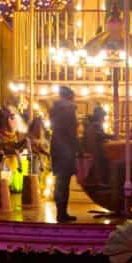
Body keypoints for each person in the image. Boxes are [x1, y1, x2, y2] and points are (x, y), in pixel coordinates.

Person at [49, 85, 81, 223]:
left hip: (56, 146)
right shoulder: (69, 110)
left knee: (60, 181)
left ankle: (61, 212)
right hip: (66, 148)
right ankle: (62, 213)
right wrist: (79, 148)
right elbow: (71, 132)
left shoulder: (55, 110)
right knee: (64, 182)